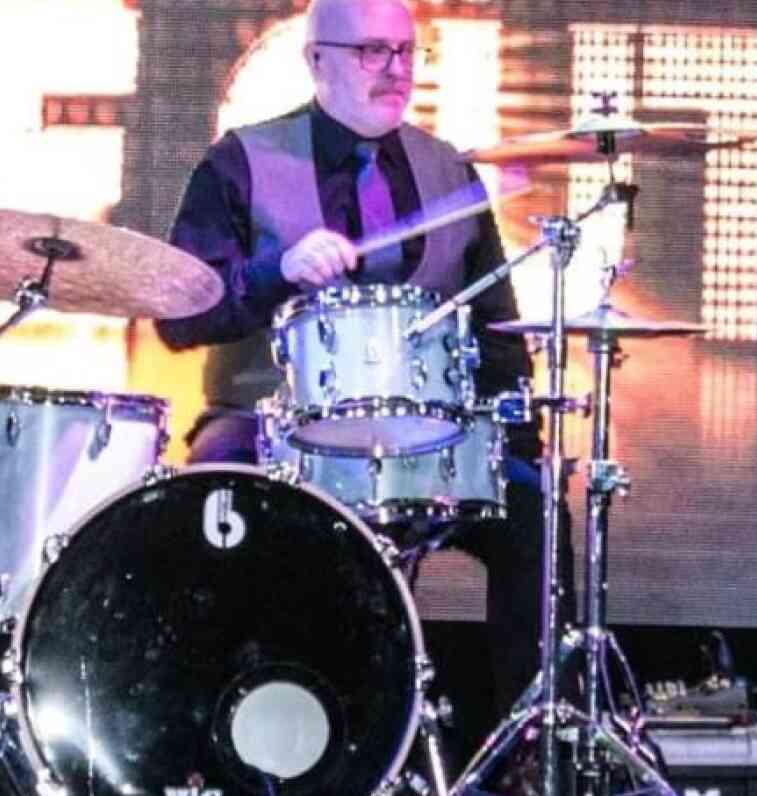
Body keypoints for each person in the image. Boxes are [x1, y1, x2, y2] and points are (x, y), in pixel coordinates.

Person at [153, 0, 561, 757]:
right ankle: (219, 742)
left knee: (537, 518)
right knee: (209, 497)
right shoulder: (239, 161)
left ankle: (522, 752)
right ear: (318, 60)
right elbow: (178, 318)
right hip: (267, 424)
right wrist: (276, 271)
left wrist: (520, 442)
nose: (396, 70)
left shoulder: (450, 171)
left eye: (406, 52)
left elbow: (498, 333)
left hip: (425, 436)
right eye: (373, 52)